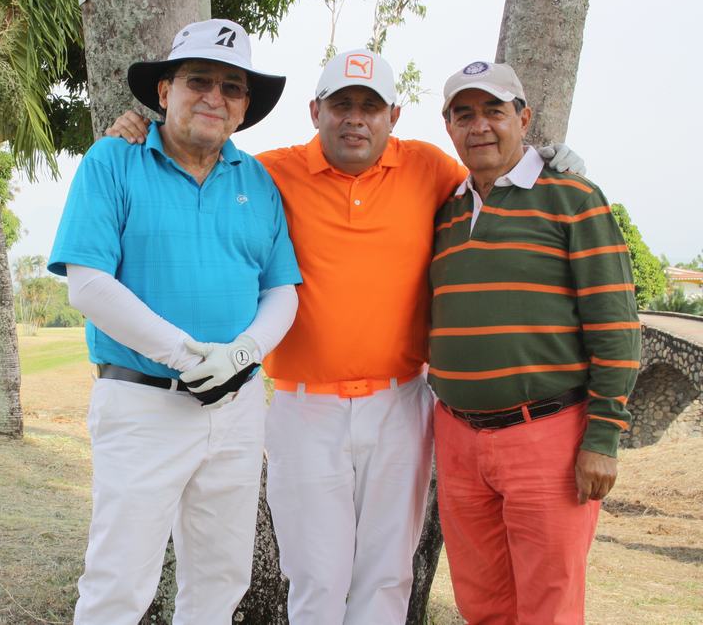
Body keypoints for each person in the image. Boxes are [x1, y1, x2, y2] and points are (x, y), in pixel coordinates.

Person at [106, 48, 584, 624]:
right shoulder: (269, 173)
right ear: (315, 111)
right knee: (314, 575)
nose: (356, 118)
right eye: (342, 105)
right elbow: (204, 154)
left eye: (370, 106)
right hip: (306, 408)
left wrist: (548, 161)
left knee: (388, 574)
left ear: (394, 117)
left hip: (401, 402)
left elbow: (496, 178)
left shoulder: (430, 168)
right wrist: (142, 129)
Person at [48, 18, 302, 625]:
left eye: (231, 87)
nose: (214, 96)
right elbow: (87, 284)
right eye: (198, 80)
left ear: (243, 107)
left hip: (236, 407)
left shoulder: (258, 180)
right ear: (164, 92)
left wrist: (238, 356)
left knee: (221, 577)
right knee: (119, 582)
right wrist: (190, 357)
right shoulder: (113, 161)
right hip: (143, 404)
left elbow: (283, 289)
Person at [430, 60, 640, 624]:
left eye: (494, 111)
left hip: (547, 437)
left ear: (524, 118)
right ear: (448, 128)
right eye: (463, 115)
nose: (479, 127)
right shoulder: (445, 211)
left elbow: (615, 326)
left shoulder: (573, 199)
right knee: (483, 604)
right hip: (457, 437)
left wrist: (603, 436)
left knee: (548, 606)